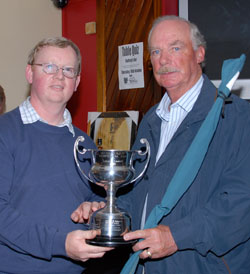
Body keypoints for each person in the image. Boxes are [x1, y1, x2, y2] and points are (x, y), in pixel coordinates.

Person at [72, 15, 250, 273]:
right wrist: (108, 210)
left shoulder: (235, 117)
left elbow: (241, 204)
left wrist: (177, 236)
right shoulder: (152, 120)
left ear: (199, 54)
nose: (164, 60)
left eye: (175, 48)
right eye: (156, 51)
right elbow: (138, 193)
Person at [0, 37, 113, 274]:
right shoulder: (5, 132)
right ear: (30, 73)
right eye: (49, 67)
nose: (59, 76)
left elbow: (100, 200)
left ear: (77, 81)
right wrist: (59, 244)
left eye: (68, 70)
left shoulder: (85, 144)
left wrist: (94, 209)